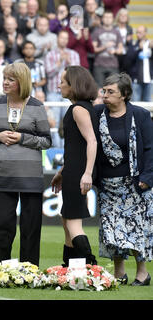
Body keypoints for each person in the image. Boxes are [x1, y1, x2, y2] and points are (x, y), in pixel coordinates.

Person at [0, 62, 51, 266]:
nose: (5, 82)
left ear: (21, 82)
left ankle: (29, 270)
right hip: (2, 175)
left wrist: (23, 138)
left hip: (30, 177)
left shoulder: (36, 106)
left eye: (10, 79)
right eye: (4, 78)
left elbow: (47, 141)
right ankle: (1, 267)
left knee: (30, 228)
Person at [95, 73, 152, 286]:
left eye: (111, 92)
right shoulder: (97, 113)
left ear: (125, 95)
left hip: (135, 183)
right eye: (104, 91)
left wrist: (147, 178)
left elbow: (150, 149)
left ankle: (142, 273)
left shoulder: (140, 115)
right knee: (110, 230)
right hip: (107, 185)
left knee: (137, 228)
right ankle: (119, 272)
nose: (105, 95)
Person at [51, 65, 99, 267]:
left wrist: (87, 173)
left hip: (79, 172)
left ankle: (91, 266)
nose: (59, 84)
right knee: (67, 218)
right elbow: (76, 147)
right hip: (74, 170)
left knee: (73, 221)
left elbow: (92, 141)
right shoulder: (84, 107)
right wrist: (62, 172)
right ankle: (71, 266)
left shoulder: (78, 109)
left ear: (74, 85)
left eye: (63, 81)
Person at [45, 29, 80, 148]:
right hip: (53, 93)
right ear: (57, 39)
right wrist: (59, 63)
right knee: (53, 123)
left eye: (66, 38)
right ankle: (55, 149)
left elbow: (77, 74)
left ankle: (67, 148)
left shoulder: (74, 54)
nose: (64, 40)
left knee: (68, 122)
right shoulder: (50, 54)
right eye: (61, 37)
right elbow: (48, 73)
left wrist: (69, 62)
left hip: (68, 94)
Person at [91, 10, 124, 87]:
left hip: (113, 66)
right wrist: (105, 46)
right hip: (99, 65)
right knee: (99, 89)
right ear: (102, 19)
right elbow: (93, 49)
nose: (108, 19)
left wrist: (115, 51)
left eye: (110, 17)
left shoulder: (117, 32)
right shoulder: (97, 32)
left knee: (113, 88)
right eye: (106, 17)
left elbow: (121, 50)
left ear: (113, 19)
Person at [126, 26, 153, 102]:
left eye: (140, 32)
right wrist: (138, 48)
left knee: (148, 103)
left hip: (149, 80)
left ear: (145, 33)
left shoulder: (150, 44)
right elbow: (129, 60)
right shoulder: (133, 44)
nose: (138, 34)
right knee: (136, 103)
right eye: (137, 32)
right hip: (136, 80)